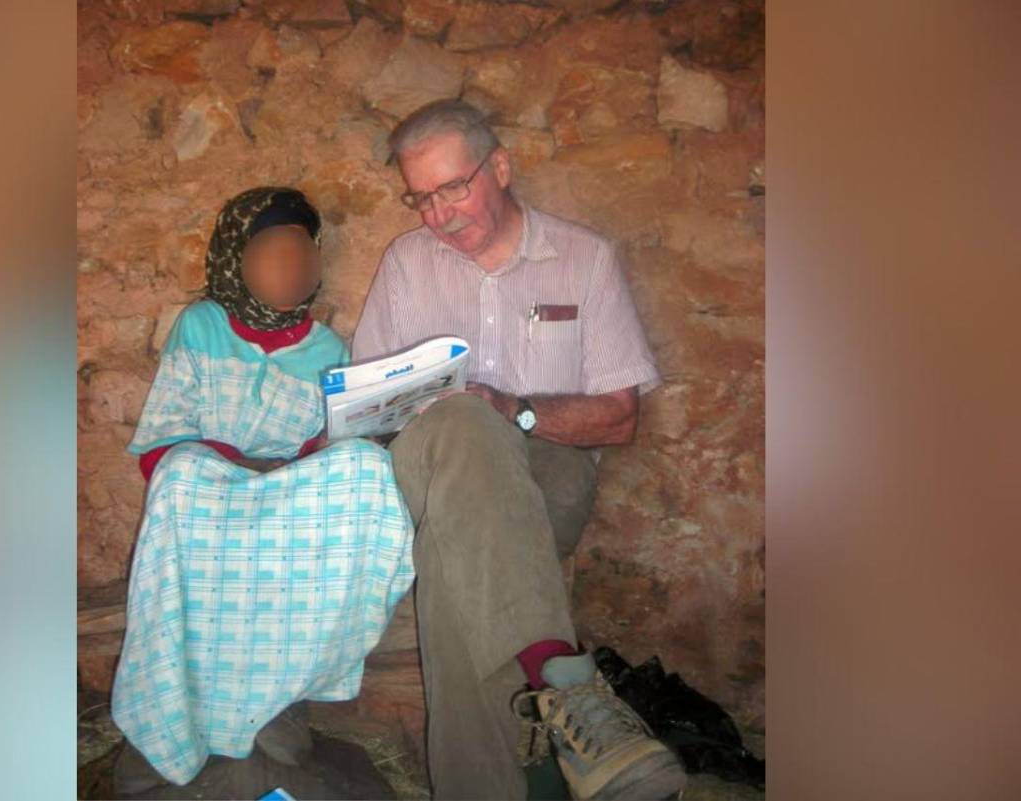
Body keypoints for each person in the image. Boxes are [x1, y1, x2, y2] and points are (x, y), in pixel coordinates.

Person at [352, 100, 688, 800]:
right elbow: (367, 406)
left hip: (549, 468)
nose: (438, 215)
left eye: (453, 188)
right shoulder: (406, 264)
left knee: (452, 561)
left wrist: (516, 409)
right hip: (427, 463)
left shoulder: (584, 259)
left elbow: (620, 417)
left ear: (500, 167)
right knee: (462, 423)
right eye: (421, 198)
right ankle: (564, 678)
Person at [110, 187, 416, 791]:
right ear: (236, 259)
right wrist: (247, 470)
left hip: (288, 513)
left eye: (304, 251)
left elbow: (328, 447)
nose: (293, 265)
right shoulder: (200, 326)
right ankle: (174, 712)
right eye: (275, 251)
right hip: (210, 501)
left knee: (363, 465)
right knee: (181, 475)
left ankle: (278, 699)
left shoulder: (330, 351)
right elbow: (164, 440)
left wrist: (330, 450)